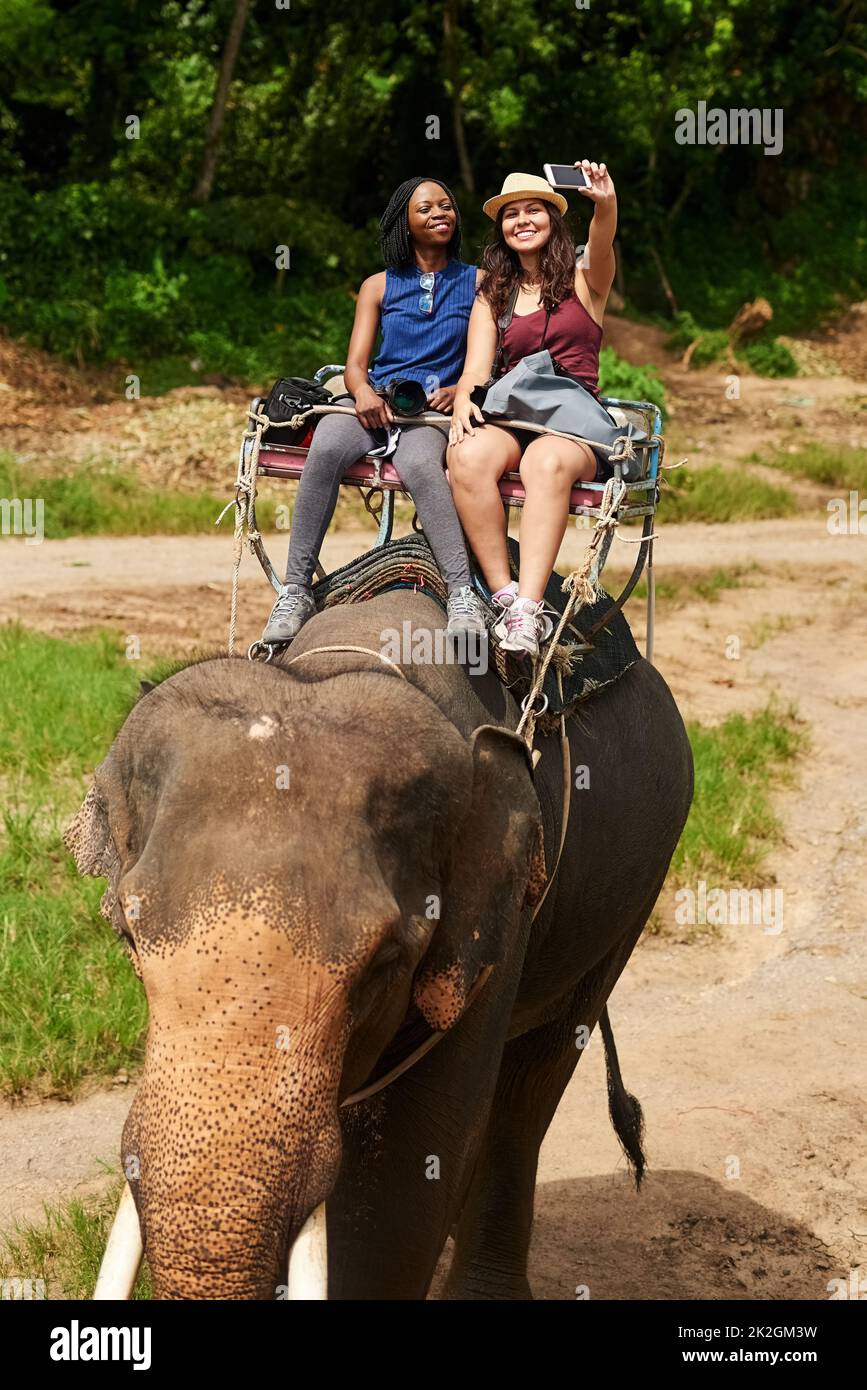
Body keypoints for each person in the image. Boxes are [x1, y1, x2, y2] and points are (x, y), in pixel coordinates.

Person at [261, 176, 487, 644]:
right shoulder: (378, 286)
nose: (440, 213)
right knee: (325, 447)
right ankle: (296, 590)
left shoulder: (480, 282)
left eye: (446, 206)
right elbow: (355, 366)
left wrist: (458, 387)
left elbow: (490, 357)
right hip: (375, 400)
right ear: (402, 222)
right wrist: (361, 393)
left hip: (431, 411)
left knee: (422, 464)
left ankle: (463, 594)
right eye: (425, 208)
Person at [447, 162, 618, 657]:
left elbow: (602, 237)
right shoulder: (493, 292)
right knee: (468, 454)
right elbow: (477, 371)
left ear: (552, 219)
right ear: (501, 228)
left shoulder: (586, 276)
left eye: (533, 210)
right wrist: (463, 403)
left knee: (542, 461)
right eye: (510, 214)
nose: (522, 220)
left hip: (572, 422)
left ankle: (529, 607)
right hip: (514, 415)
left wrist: (604, 201)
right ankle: (502, 593)